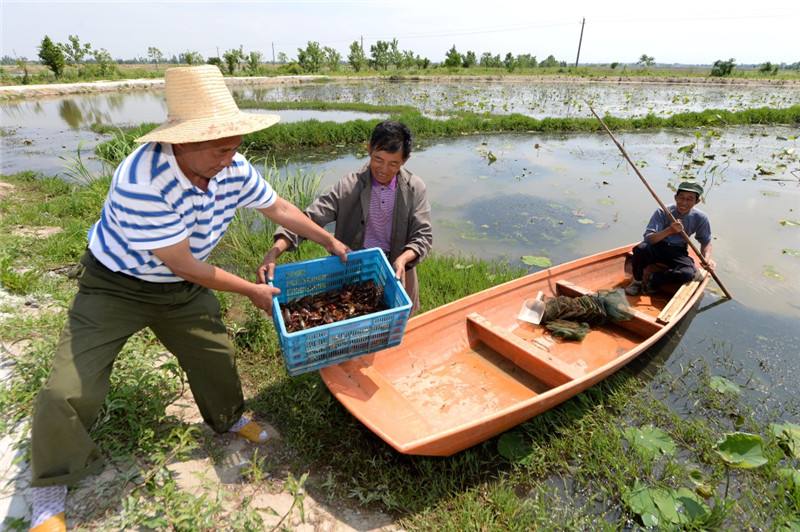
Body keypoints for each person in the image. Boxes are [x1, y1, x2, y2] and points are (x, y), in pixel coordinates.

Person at [26, 65, 349, 532]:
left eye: (236, 144)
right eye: (221, 146)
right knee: (68, 389)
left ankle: (230, 419)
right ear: (183, 141)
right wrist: (252, 291)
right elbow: (185, 264)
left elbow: (277, 207)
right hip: (117, 284)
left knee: (216, 355)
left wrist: (328, 240)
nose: (232, 155)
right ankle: (49, 488)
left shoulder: (231, 165)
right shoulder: (142, 180)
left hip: (181, 290)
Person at [258, 120, 432, 314]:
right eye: (378, 159)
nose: (383, 169)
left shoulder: (414, 189)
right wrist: (274, 252)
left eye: (393, 164)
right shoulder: (349, 186)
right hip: (355, 269)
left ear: (405, 160)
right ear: (368, 149)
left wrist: (403, 259)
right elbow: (309, 218)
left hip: (398, 271)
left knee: (399, 327)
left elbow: (423, 236)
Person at [626, 181, 716, 296]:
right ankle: (637, 281)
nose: (683, 202)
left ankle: (655, 279)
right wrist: (669, 231)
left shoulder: (700, 218)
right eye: (681, 198)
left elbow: (706, 242)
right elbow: (649, 239)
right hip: (657, 245)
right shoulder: (663, 211)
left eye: (689, 199)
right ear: (675, 197)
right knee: (640, 249)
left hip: (677, 251)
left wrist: (707, 258)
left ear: (697, 201)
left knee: (688, 273)